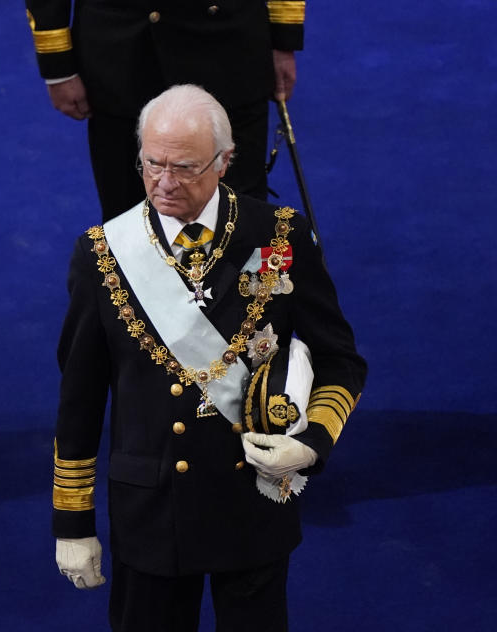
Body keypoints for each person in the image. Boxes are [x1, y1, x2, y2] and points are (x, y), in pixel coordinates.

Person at [51, 84, 365, 630]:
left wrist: (311, 443)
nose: (164, 183)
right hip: (151, 509)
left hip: (252, 502)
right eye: (152, 163)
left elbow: (341, 361)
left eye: (185, 167)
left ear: (225, 162)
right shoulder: (102, 254)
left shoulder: (280, 236)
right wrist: (72, 522)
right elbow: (79, 398)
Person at [25, 0, 305, 221]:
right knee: (130, 215)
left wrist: (284, 36)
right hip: (123, 52)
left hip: (228, 47)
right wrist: (57, 64)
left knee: (238, 210)